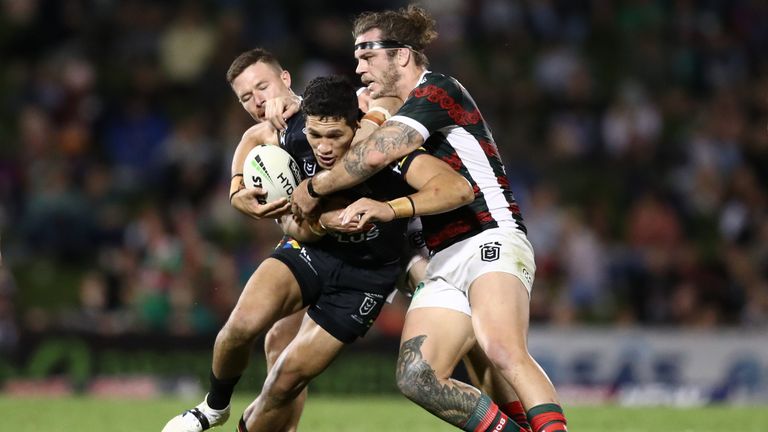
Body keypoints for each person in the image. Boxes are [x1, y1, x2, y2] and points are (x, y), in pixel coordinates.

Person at [291, 5, 568, 432]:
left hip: (488, 234)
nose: (358, 65)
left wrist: (314, 188)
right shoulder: (387, 112)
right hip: (442, 258)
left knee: (501, 347)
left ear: (401, 55)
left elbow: (376, 153)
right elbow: (329, 119)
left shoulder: (439, 91)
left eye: (367, 54)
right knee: (417, 377)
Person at [165, 72, 474, 432]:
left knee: (283, 384)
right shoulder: (297, 133)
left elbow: (458, 189)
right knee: (240, 328)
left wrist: (390, 209)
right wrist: (236, 189)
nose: (323, 147)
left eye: (335, 136)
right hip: (310, 251)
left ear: (356, 127)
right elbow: (254, 136)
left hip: (365, 278)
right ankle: (213, 408)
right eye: (315, 135)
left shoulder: (388, 152)